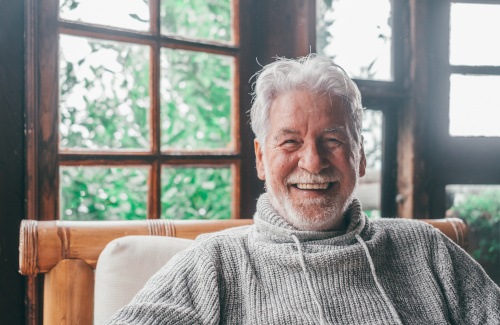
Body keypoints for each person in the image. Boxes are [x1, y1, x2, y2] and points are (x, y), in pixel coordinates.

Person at [106, 54, 500, 324]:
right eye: (290, 142)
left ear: (360, 156)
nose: (312, 162)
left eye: (332, 140)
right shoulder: (215, 262)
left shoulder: (426, 248)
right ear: (261, 158)